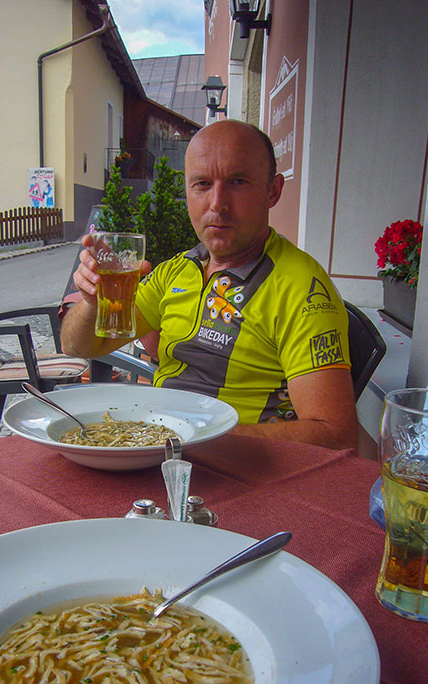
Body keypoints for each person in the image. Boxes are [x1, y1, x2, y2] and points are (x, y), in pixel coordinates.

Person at [61, 120, 358, 451]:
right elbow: (79, 347)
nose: (218, 203)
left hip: (238, 468)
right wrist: (91, 302)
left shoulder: (301, 288)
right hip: (154, 449)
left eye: (238, 182)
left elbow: (337, 436)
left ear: (272, 191)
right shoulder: (178, 270)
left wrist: (191, 436)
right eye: (202, 184)